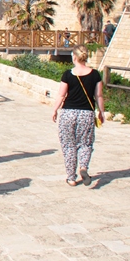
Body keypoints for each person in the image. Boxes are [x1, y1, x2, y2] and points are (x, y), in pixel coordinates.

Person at [51, 45, 105, 186]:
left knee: (69, 145)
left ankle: (71, 177)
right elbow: (98, 95)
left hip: (68, 113)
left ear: (74, 57)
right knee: (85, 143)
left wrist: (54, 110)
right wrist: (101, 112)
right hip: (86, 113)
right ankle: (83, 167)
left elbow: (61, 95)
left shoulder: (68, 74)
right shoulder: (95, 75)